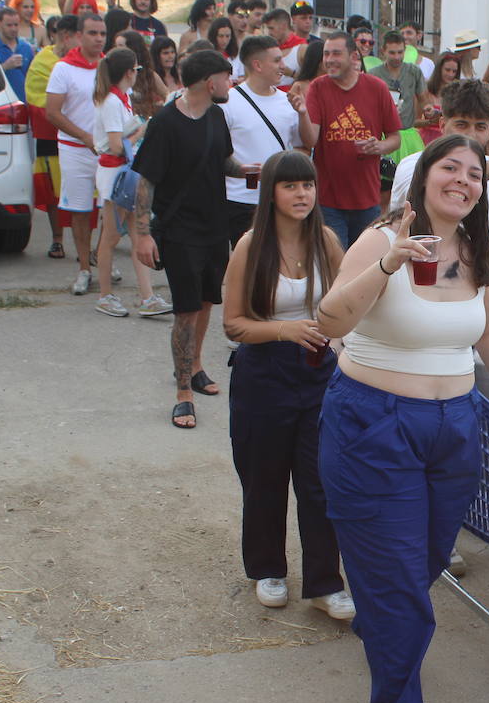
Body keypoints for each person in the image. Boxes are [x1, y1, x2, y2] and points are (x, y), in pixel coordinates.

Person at [314, 135, 489, 703]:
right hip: (373, 426)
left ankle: (384, 630)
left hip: (454, 430)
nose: (464, 181)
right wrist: (387, 264)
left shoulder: (477, 251)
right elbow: (330, 322)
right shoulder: (377, 239)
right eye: (450, 167)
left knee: (420, 563)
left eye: (474, 174)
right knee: (396, 582)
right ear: (420, 178)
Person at [224, 151, 354, 620]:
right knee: (265, 479)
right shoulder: (249, 246)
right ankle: (268, 570)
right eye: (290, 186)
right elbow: (233, 324)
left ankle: (324, 582)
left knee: (321, 481)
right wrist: (285, 329)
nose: (302, 195)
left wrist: (338, 339)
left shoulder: (325, 240)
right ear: (271, 192)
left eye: (308, 185)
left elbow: (352, 300)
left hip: (319, 371)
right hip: (263, 373)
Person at [132, 50, 252, 430]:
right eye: (227, 76)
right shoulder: (166, 122)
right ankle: (183, 392)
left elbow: (221, 160)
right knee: (185, 310)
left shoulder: (216, 116)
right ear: (207, 81)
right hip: (179, 231)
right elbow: (145, 180)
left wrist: (247, 170)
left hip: (213, 226)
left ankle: (196, 366)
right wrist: (142, 234)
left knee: (205, 303)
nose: (231, 83)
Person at [389, 79, 489, 271]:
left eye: (480, 127)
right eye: (462, 124)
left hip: (474, 284)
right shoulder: (413, 165)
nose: (470, 135)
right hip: (419, 277)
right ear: (443, 124)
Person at [301, 32, 402, 248]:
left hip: (367, 199)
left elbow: (395, 139)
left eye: (336, 53)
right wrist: (302, 113)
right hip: (328, 200)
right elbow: (311, 140)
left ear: (353, 56)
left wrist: (379, 146)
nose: (329, 59)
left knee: (363, 263)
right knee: (335, 265)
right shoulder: (318, 88)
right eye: (326, 54)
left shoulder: (377, 88)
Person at [221, 36, 310, 246]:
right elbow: (219, 153)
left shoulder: (287, 101)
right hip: (241, 201)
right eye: (277, 60)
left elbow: (303, 145)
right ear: (257, 65)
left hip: (280, 200)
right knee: (249, 264)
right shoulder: (228, 102)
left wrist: (303, 114)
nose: (283, 66)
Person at [91, 48, 156, 317]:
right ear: (129, 72)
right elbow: (117, 146)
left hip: (126, 174)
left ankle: (148, 297)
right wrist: (142, 131)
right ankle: (105, 295)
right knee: (111, 236)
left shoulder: (122, 98)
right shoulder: (111, 102)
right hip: (114, 176)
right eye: (136, 70)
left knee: (138, 234)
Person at [45, 13, 107, 296]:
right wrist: (83, 136)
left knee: (112, 210)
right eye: (93, 33)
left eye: (102, 34)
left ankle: (102, 258)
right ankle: (84, 268)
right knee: (81, 211)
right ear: (79, 36)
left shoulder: (109, 67)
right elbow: (52, 112)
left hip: (107, 151)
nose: (98, 39)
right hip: (75, 150)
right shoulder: (64, 69)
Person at [27, 15, 75, 260]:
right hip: (50, 135)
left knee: (86, 192)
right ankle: (57, 240)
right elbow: (36, 96)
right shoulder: (42, 61)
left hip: (81, 136)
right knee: (54, 190)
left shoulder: (89, 62)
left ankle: (87, 250)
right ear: (67, 36)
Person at [368, 31, 428, 162]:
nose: (397, 57)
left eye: (400, 52)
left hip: (408, 134)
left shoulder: (414, 71)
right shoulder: (373, 74)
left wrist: (428, 110)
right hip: (384, 135)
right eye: (392, 53)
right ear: (383, 51)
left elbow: (423, 100)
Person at [0, 7, 34, 102]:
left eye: (16, 25)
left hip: (23, 104)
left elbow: (32, 77)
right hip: (0, 105)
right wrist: (5, 66)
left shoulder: (26, 47)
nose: (13, 29)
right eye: (9, 25)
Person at [417, 53, 460, 145]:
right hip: (427, 139)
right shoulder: (425, 90)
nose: (451, 74)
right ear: (439, 69)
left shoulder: (458, 93)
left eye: (454, 71)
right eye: (447, 70)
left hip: (448, 140)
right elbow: (413, 122)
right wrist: (430, 122)